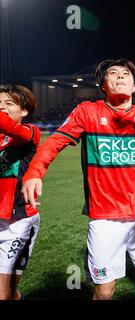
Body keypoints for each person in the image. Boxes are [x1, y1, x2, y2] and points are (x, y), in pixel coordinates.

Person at [21, 59, 135, 300]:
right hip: (104, 219)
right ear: (103, 85)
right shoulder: (87, 111)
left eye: (126, 74)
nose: (121, 77)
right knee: (104, 292)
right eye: (113, 74)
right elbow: (54, 142)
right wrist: (34, 173)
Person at [0, 85, 40, 300]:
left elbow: (11, 128)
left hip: (18, 220)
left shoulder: (30, 132)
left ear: (24, 111)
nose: (2, 108)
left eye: (8, 103)